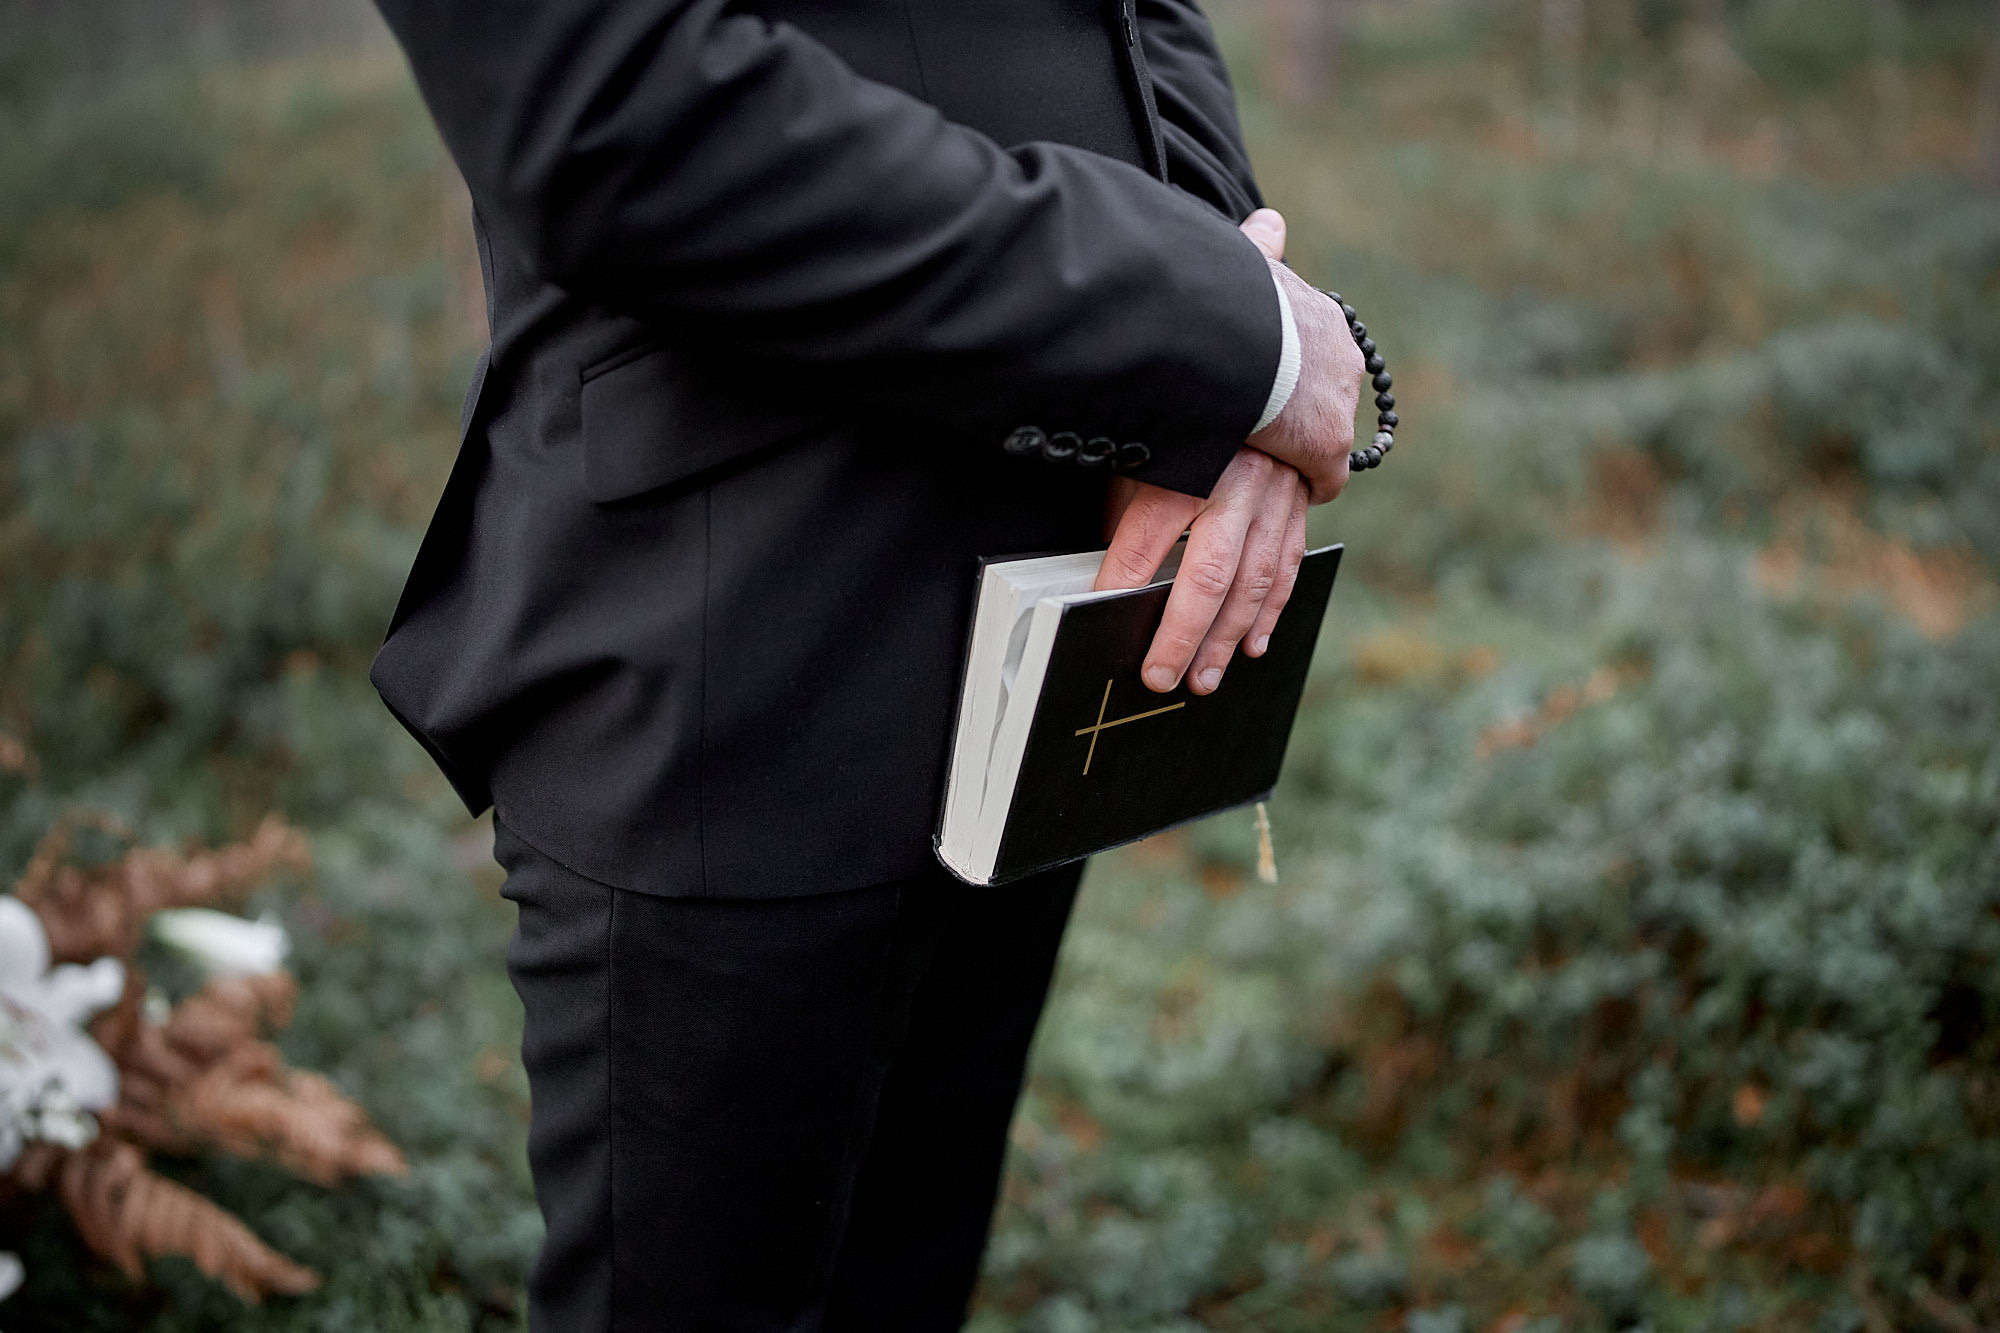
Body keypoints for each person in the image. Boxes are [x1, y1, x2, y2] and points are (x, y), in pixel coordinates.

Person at [364, 0, 1364, 1326]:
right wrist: (1223, 341)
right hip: (742, 636)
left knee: (908, 1281)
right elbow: (605, 107)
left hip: (1063, 586)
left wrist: (1221, 376)